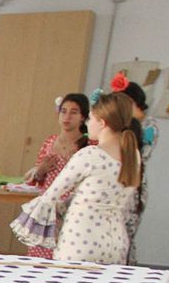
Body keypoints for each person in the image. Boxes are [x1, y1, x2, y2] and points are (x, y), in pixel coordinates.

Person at [11, 92, 141, 266]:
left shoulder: (90, 154)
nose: (87, 123)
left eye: (90, 119)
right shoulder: (133, 156)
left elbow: (50, 196)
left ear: (102, 123)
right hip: (116, 242)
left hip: (80, 240)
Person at [22, 93, 91, 260]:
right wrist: (41, 170)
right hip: (47, 207)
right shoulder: (49, 142)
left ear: (83, 117)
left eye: (73, 112)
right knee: (39, 258)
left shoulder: (89, 145)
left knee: (67, 256)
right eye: (63, 111)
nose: (67, 117)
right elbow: (33, 177)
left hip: (74, 209)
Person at [119, 79, 156, 264]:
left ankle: (126, 272)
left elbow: (142, 156)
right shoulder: (121, 123)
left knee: (127, 234)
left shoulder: (149, 125)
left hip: (134, 183)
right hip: (118, 181)